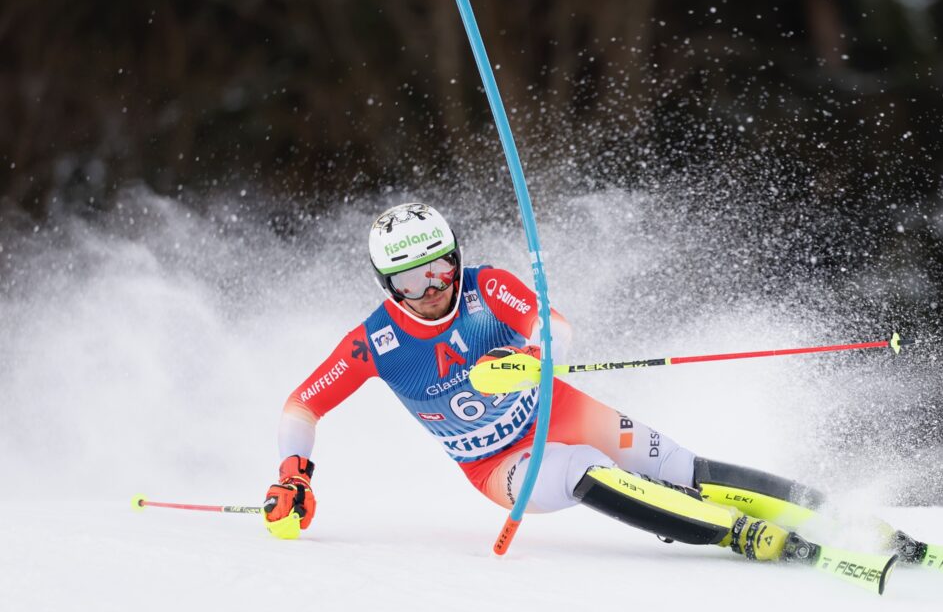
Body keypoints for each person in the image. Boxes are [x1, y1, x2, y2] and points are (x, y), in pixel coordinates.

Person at [263, 201, 838, 562]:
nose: (433, 286)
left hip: (555, 408)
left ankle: (829, 512)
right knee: (583, 469)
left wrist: (530, 357)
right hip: (497, 466)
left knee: (679, 466)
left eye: (441, 265)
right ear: (388, 285)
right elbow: (301, 405)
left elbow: (555, 328)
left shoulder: (485, 288)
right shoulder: (375, 342)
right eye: (411, 280)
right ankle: (736, 536)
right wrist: (295, 474)